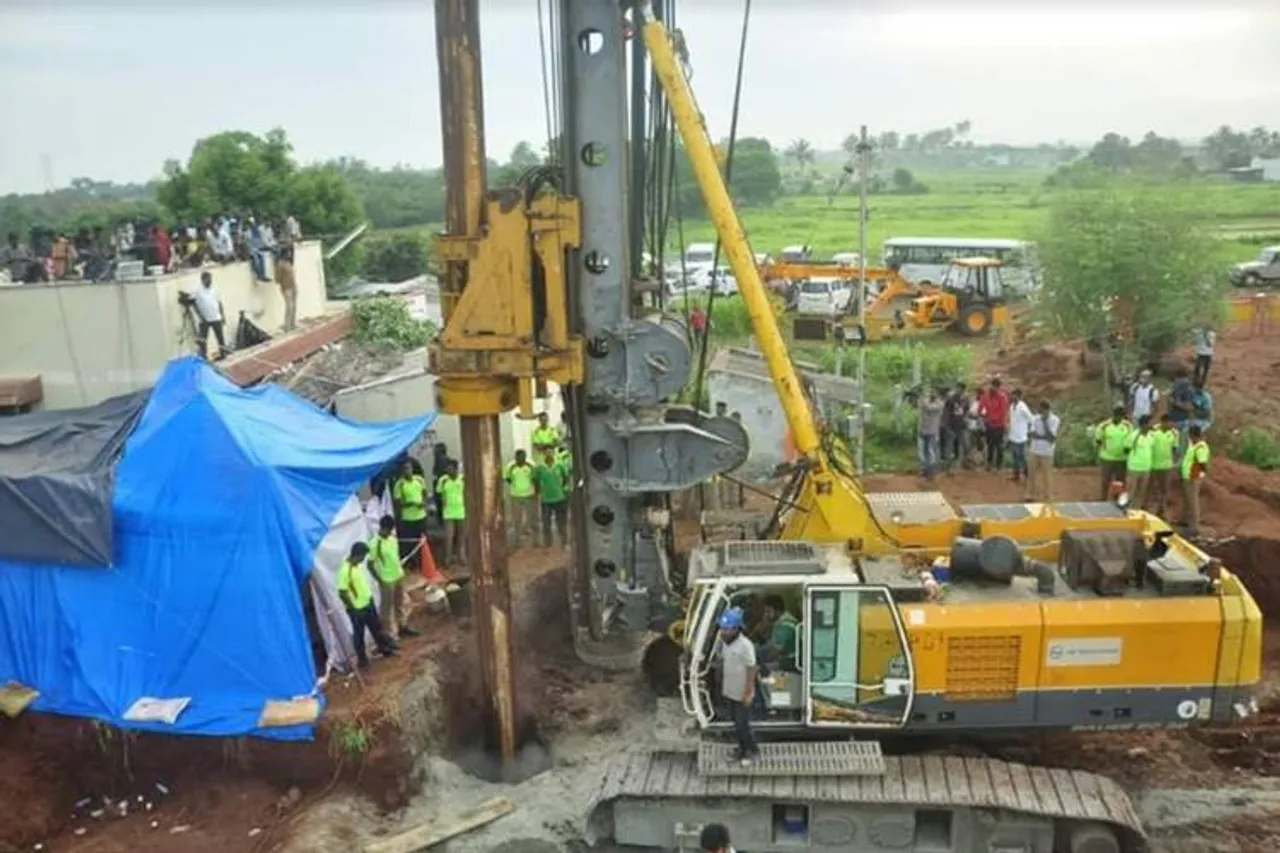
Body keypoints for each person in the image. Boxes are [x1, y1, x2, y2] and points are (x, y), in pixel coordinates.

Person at [336, 542, 397, 670]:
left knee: (377, 628)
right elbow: (342, 592)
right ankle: (362, 661)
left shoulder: (356, 566)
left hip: (368, 603)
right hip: (357, 609)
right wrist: (353, 607)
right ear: (357, 555)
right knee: (359, 635)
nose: (363, 559)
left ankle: (384, 649)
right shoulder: (344, 571)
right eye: (363, 556)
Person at [713, 607, 758, 766]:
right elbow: (722, 659)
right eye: (722, 628)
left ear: (737, 628)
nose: (723, 632)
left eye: (727, 629)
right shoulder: (725, 642)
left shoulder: (745, 645)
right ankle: (743, 748)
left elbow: (751, 668)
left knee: (742, 724)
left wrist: (749, 692)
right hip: (730, 690)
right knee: (736, 723)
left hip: (742, 692)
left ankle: (750, 752)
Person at [369, 515, 419, 642]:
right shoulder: (375, 543)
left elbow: (395, 557)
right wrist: (380, 580)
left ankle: (402, 625)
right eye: (388, 530)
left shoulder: (392, 539)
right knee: (386, 608)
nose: (390, 532)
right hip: (386, 580)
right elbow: (370, 564)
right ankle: (388, 635)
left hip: (398, 576)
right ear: (383, 528)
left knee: (399, 603)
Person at [392, 458, 429, 566]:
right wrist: (411, 504)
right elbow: (398, 503)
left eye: (408, 468)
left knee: (422, 540)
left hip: (421, 516)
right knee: (410, 542)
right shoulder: (399, 484)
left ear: (412, 469)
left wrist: (424, 503)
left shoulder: (419, 480)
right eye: (404, 469)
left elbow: (425, 494)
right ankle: (411, 563)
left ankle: (423, 562)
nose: (407, 471)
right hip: (408, 518)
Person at [533, 448, 570, 549]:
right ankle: (548, 543)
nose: (549, 454)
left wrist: (560, 488)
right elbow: (535, 480)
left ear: (554, 453)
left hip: (560, 498)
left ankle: (564, 541)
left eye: (551, 452)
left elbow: (566, 478)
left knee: (561, 521)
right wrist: (538, 493)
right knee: (546, 523)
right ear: (544, 454)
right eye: (547, 452)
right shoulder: (540, 467)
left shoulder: (560, 465)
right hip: (546, 500)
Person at [1094, 406, 1131, 501]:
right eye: (1117, 415)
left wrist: (1126, 450)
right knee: (1105, 481)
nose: (1119, 418)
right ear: (1113, 415)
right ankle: (1103, 500)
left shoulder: (1128, 425)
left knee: (1120, 482)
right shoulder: (1104, 425)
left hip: (1122, 458)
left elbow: (1129, 440)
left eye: (1121, 416)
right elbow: (1098, 440)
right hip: (1107, 458)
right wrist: (1103, 450)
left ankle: (1118, 501)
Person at [1027, 400, 1060, 502]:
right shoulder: (1035, 418)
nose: (1041, 413)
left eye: (1043, 411)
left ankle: (1048, 496)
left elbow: (1051, 438)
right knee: (1031, 473)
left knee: (1047, 475)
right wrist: (1044, 437)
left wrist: (1045, 423)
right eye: (1040, 411)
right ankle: (1030, 494)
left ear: (1048, 410)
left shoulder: (1055, 420)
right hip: (1034, 450)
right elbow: (1031, 435)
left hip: (1047, 452)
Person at [1180, 425, 1211, 536]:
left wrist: (1200, 475)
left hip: (1193, 478)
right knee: (1188, 501)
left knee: (1193, 503)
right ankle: (1186, 522)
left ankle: (1194, 527)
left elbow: (1203, 464)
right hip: (1187, 476)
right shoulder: (1193, 445)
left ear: (1193, 435)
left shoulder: (1200, 447)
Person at [504, 449, 537, 548]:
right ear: (516, 457)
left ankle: (534, 541)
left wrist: (534, 493)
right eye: (519, 457)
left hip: (529, 495)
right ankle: (517, 541)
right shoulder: (510, 467)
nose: (521, 459)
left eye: (523, 457)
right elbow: (508, 479)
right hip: (516, 496)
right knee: (517, 519)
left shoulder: (531, 465)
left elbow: (535, 478)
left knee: (531, 518)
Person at [191, 270, 228, 359]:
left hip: (216, 317)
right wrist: (200, 315)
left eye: (210, 279)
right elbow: (193, 303)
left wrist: (222, 315)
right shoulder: (197, 291)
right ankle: (204, 357)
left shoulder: (214, 290)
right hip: (205, 319)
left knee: (220, 338)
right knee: (203, 340)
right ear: (202, 280)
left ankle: (223, 354)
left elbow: (219, 303)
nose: (209, 281)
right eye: (207, 279)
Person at [435, 460, 466, 565]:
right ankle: (447, 559)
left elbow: (466, 494)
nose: (448, 471)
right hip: (448, 513)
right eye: (447, 469)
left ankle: (461, 557)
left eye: (450, 469)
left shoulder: (462, 479)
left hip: (461, 512)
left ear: (456, 469)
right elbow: (439, 495)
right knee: (449, 537)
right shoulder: (443, 480)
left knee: (461, 536)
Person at [1149, 413, 1179, 516]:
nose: (1170, 425)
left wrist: (1173, 461)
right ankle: (1145, 508)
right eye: (1167, 423)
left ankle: (1161, 510)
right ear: (1162, 422)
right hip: (1153, 465)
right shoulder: (1153, 431)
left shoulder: (1174, 433)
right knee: (1150, 487)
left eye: (1171, 423)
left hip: (1166, 466)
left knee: (1164, 489)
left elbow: (1174, 448)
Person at [977, 378, 1010, 470]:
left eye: (995, 386)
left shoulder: (1002, 397)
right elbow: (980, 408)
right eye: (992, 385)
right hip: (989, 424)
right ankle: (989, 463)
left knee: (999, 445)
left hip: (999, 425)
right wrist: (983, 417)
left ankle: (999, 464)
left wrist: (994, 419)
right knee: (990, 444)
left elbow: (1003, 412)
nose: (992, 387)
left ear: (998, 387)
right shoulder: (986, 396)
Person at [760, 594, 798, 672]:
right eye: (765, 611)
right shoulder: (784, 621)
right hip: (786, 660)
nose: (766, 614)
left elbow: (776, 651)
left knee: (761, 669)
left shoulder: (785, 626)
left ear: (778, 611)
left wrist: (762, 661)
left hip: (789, 663)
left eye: (768, 611)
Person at [1124, 415, 1155, 510]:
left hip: (1146, 469)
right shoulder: (1133, 436)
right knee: (1130, 492)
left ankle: (1136, 512)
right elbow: (1126, 449)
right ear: (1143, 425)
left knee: (1141, 493)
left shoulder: (1151, 436)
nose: (1151, 425)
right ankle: (1127, 511)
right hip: (1134, 469)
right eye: (1149, 423)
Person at [1007, 388, 1033, 484]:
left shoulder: (1023, 407)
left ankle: (1027, 475)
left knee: (1021, 457)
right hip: (1013, 435)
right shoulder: (1012, 406)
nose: (1012, 397)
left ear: (1018, 396)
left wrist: (1030, 431)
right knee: (1015, 457)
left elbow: (1031, 419)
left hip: (1021, 436)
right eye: (1012, 395)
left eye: (1013, 395)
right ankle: (1016, 475)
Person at [941, 382, 970, 470]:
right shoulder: (950, 399)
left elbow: (966, 411)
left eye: (961, 389)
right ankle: (947, 467)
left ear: (963, 390)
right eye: (957, 388)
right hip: (951, 426)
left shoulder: (966, 400)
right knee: (949, 448)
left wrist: (965, 419)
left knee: (966, 445)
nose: (959, 390)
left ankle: (964, 462)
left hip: (962, 426)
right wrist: (946, 425)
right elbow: (945, 412)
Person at [917, 388, 944, 481]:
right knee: (924, 452)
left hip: (933, 431)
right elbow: (921, 410)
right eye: (931, 392)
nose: (932, 394)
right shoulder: (927, 401)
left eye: (934, 392)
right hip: (924, 430)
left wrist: (921, 398)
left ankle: (932, 472)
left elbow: (929, 407)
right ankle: (926, 470)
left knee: (931, 452)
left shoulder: (939, 403)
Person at [275, 228, 298, 332]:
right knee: (289, 306)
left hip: (293, 284)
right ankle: (287, 326)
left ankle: (293, 324)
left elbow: (292, 250)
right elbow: (277, 278)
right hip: (286, 287)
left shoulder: (289, 262)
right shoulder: (280, 264)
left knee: (294, 305)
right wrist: (283, 282)